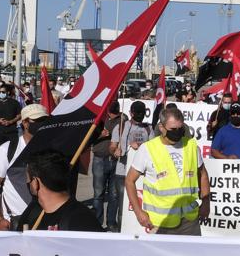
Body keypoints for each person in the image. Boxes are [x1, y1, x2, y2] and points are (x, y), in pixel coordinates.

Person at [125, 105, 210, 236]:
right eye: (172, 129)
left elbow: (203, 175)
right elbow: (130, 180)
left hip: (189, 221)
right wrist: (138, 212)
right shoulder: (147, 149)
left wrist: (206, 202)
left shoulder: (191, 146)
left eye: (180, 128)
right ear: (161, 128)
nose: (177, 132)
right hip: (159, 223)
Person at [0, 104, 47, 231]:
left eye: (44, 121)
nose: (41, 124)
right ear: (25, 123)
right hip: (17, 221)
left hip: (46, 218)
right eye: (37, 121)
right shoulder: (7, 149)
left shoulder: (52, 147)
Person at [89, 101, 123, 230]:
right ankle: (97, 223)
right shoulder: (98, 119)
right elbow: (87, 138)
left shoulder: (123, 121)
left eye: (116, 112)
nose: (113, 115)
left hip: (115, 161)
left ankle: (111, 223)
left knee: (113, 195)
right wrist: (99, 134)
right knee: (98, 193)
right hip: (99, 160)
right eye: (111, 112)